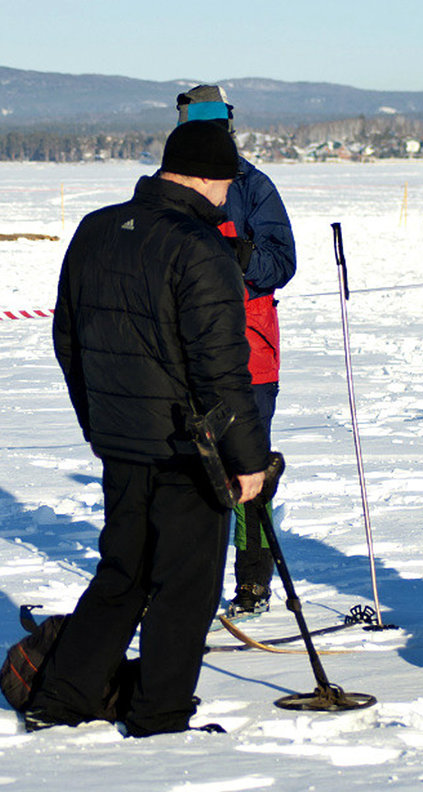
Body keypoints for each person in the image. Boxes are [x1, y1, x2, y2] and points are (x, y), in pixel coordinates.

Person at [30, 121, 271, 737]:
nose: (227, 195)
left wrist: (98, 424)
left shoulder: (97, 227)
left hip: (120, 439)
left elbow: (68, 341)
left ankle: (62, 697)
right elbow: (222, 367)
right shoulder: (201, 246)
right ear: (208, 177)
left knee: (122, 573)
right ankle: (160, 715)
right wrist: (248, 460)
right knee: (184, 590)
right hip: (190, 448)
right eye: (226, 183)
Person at [175, 84, 297, 616]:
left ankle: (252, 582)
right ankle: (183, 584)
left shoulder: (254, 185)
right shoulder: (171, 187)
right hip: (185, 350)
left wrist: (235, 254)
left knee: (250, 472)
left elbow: (282, 263)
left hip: (250, 351)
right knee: (187, 475)